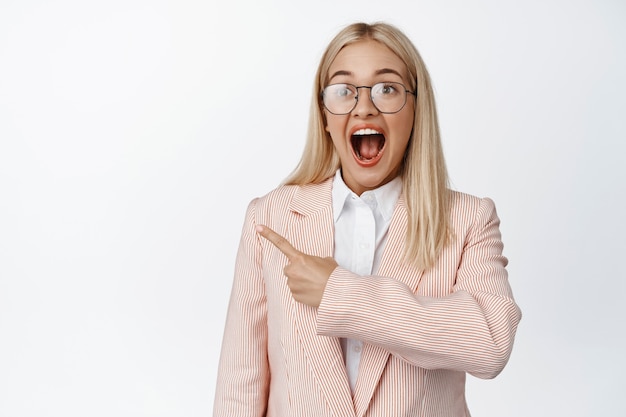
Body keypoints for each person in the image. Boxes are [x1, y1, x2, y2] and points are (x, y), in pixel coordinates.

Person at [213, 21, 521, 417]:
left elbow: (490, 343)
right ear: (324, 115)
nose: (364, 106)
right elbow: (239, 388)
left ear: (415, 110)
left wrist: (339, 294)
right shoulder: (270, 217)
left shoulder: (467, 220)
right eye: (344, 91)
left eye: (387, 89)